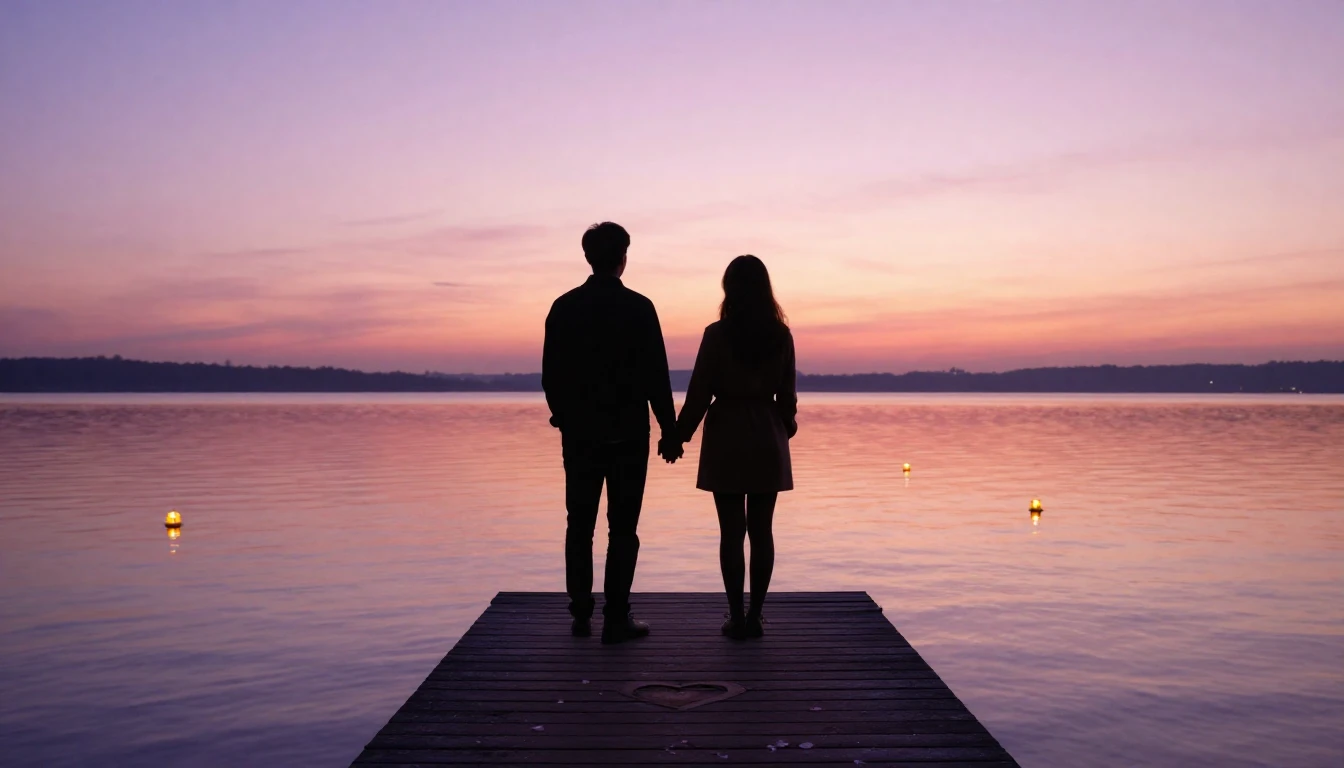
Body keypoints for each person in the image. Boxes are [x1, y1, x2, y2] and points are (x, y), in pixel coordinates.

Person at [542, 221, 683, 644]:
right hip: (627, 436)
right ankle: (616, 617)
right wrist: (669, 431)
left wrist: (564, 416)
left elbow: (552, 377)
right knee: (623, 528)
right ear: (623, 257)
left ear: (588, 257)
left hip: (581, 437)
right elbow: (657, 376)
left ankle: (581, 613)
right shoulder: (640, 308)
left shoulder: (564, 307)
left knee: (578, 524)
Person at [674, 255, 797, 639]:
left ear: (729, 288)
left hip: (726, 431)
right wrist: (784, 427)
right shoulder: (781, 335)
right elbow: (788, 396)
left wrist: (679, 435)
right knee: (762, 530)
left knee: (731, 532)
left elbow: (698, 393)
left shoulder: (716, 334)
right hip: (765, 430)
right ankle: (756, 615)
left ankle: (735, 615)